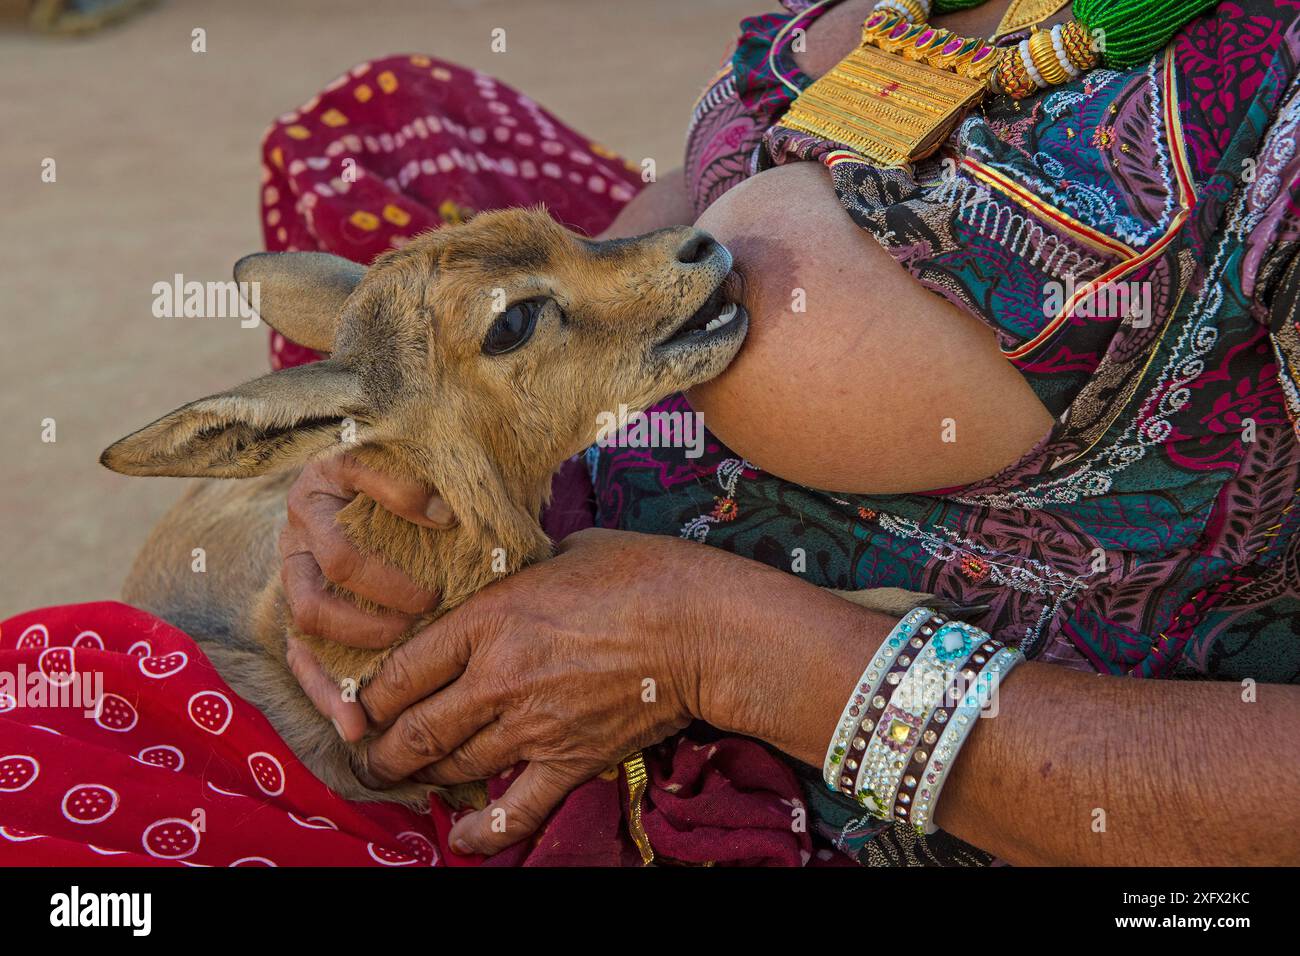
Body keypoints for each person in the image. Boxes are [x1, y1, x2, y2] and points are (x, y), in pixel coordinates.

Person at [4, 0, 1299, 867]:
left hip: (842, 739)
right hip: (609, 463)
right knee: (387, 126)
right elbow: (699, 196)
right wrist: (422, 451)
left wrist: (723, 649)